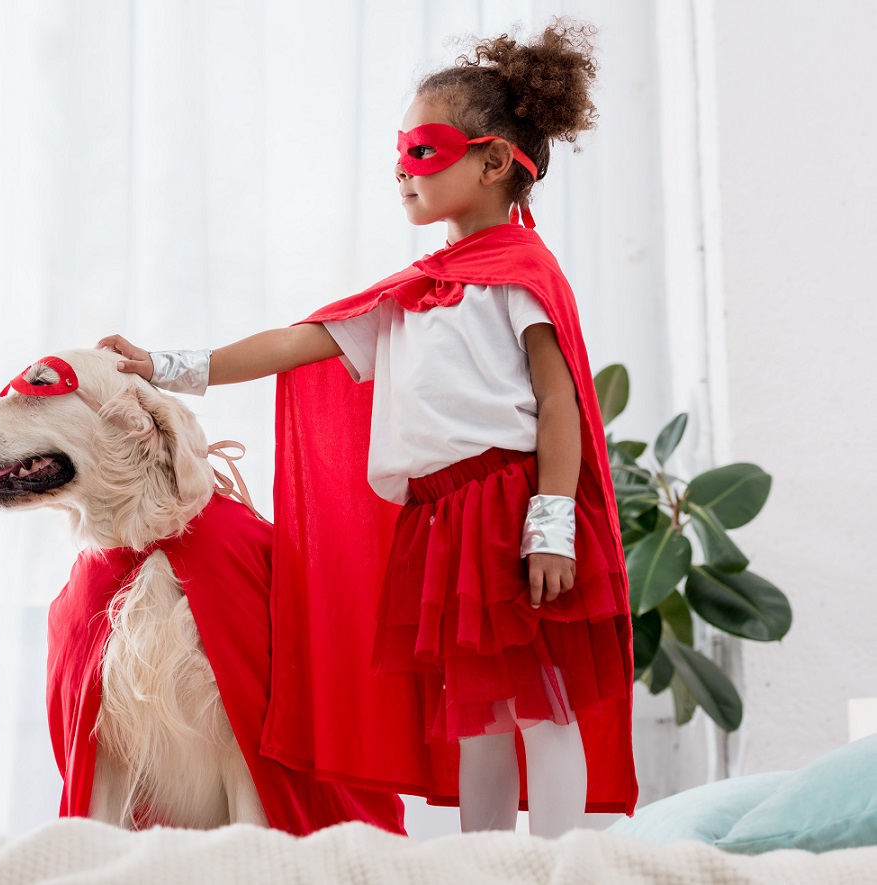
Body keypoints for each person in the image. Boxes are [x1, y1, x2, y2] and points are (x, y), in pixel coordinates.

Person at [98, 19, 637, 837]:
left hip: (507, 505)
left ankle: (558, 861)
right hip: (440, 519)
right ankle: (482, 861)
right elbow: (290, 343)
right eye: (398, 152)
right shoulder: (411, 293)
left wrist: (551, 521)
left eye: (422, 151)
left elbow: (559, 403)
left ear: (492, 162)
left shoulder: (521, 278)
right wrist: (161, 365)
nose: (399, 169)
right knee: (480, 712)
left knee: (540, 702)